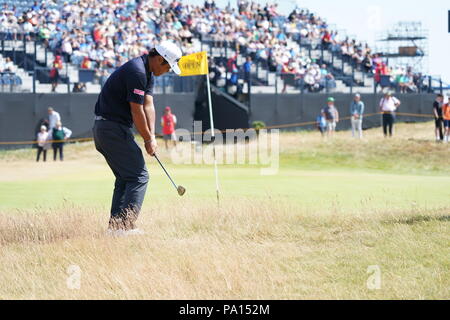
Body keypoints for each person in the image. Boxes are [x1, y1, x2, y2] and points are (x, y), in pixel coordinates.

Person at [93, 40, 182, 234]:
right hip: (111, 128)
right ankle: (125, 227)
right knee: (139, 176)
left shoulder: (146, 72)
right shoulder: (137, 72)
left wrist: (152, 137)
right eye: (168, 67)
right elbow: (137, 110)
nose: (168, 71)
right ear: (159, 59)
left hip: (106, 129)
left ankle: (115, 227)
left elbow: (148, 105)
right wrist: (148, 139)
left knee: (125, 178)